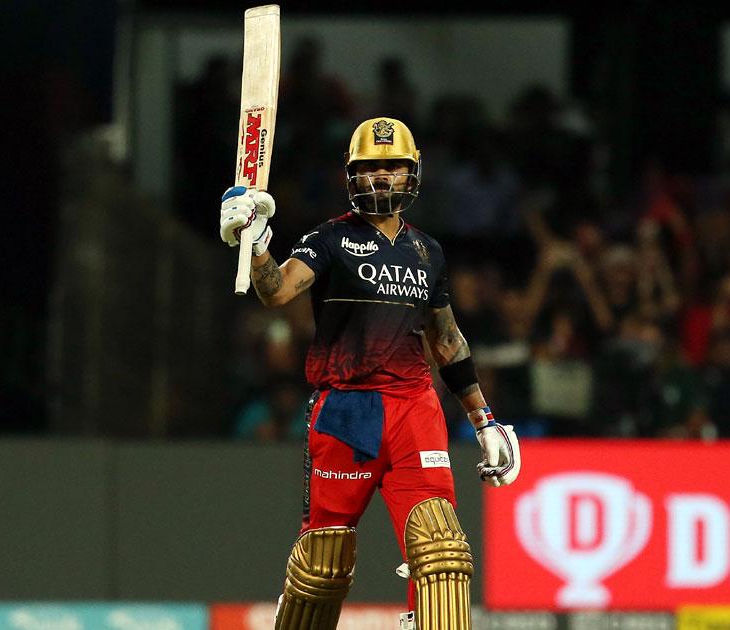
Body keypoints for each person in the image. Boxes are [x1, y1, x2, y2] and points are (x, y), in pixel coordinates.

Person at [218, 118, 521, 630]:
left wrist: (483, 419)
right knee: (322, 569)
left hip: (414, 408)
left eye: (393, 166)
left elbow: (447, 340)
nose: (382, 176)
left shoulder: (428, 252)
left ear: (413, 172)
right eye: (370, 167)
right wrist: (255, 241)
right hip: (346, 411)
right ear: (352, 174)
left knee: (443, 554)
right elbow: (276, 291)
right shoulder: (330, 238)